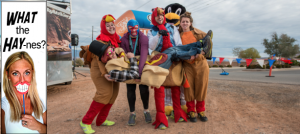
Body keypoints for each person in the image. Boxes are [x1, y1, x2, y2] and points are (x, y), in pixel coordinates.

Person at [79, 14, 121, 134]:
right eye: (108, 25)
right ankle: (86, 121)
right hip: (100, 72)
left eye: (112, 25)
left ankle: (101, 120)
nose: (111, 27)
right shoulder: (100, 41)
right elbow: (99, 60)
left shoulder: (116, 40)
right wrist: (104, 74)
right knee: (104, 94)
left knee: (113, 95)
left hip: (112, 71)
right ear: (103, 27)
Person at [147, 7, 188, 129]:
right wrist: (159, 34)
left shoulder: (172, 27)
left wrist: (177, 54)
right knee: (160, 86)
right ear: (154, 17)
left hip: (173, 56)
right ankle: (161, 117)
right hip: (159, 57)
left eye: (161, 15)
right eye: (157, 15)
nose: (159, 17)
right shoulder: (151, 31)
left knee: (175, 84)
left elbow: (178, 43)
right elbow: (151, 46)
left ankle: (178, 112)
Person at [178, 11, 212, 122]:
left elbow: (208, 43)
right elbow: (176, 50)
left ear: (190, 23)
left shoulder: (199, 33)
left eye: (187, 21)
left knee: (201, 87)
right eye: (183, 22)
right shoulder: (178, 36)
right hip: (187, 65)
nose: (185, 23)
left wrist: (200, 53)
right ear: (180, 23)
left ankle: (201, 111)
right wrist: (186, 58)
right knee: (189, 88)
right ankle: (191, 111)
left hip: (201, 64)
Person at [1, 51, 46, 133]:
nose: (22, 80)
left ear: (32, 73)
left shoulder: (41, 102)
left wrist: (39, 126)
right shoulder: (3, 106)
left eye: (26, 73)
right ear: (8, 75)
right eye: (15, 73)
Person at [119, 19, 152, 126]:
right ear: (127, 28)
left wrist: (140, 73)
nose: (133, 30)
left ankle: (146, 111)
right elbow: (124, 55)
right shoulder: (124, 39)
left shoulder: (143, 38)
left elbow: (143, 55)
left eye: (136, 28)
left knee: (144, 89)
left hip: (142, 64)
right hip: (130, 64)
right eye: (131, 28)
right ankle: (132, 113)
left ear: (139, 28)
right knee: (130, 89)